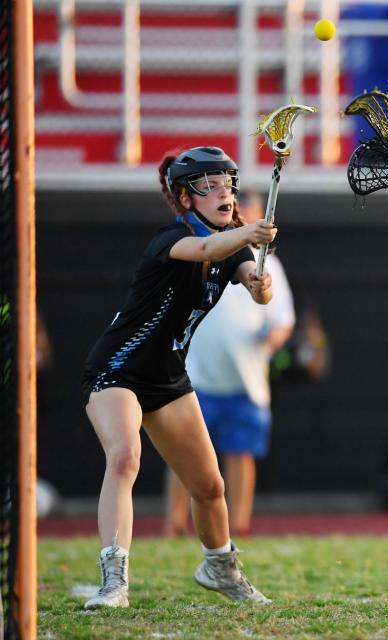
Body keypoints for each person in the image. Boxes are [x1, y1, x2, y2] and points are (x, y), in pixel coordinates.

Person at [80, 146, 276, 609]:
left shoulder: (236, 246)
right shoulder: (171, 238)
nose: (223, 192)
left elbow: (255, 285)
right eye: (210, 186)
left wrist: (260, 282)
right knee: (126, 458)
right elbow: (207, 249)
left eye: (227, 183)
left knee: (210, 487)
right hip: (117, 369)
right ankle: (113, 581)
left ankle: (219, 567)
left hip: (168, 379)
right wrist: (249, 230)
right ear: (187, 199)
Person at [164, 190, 296, 538]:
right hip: (197, 377)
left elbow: (281, 317)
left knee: (240, 454)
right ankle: (174, 524)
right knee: (184, 454)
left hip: (246, 380)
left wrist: (271, 336)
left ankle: (239, 525)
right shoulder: (199, 251)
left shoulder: (270, 265)